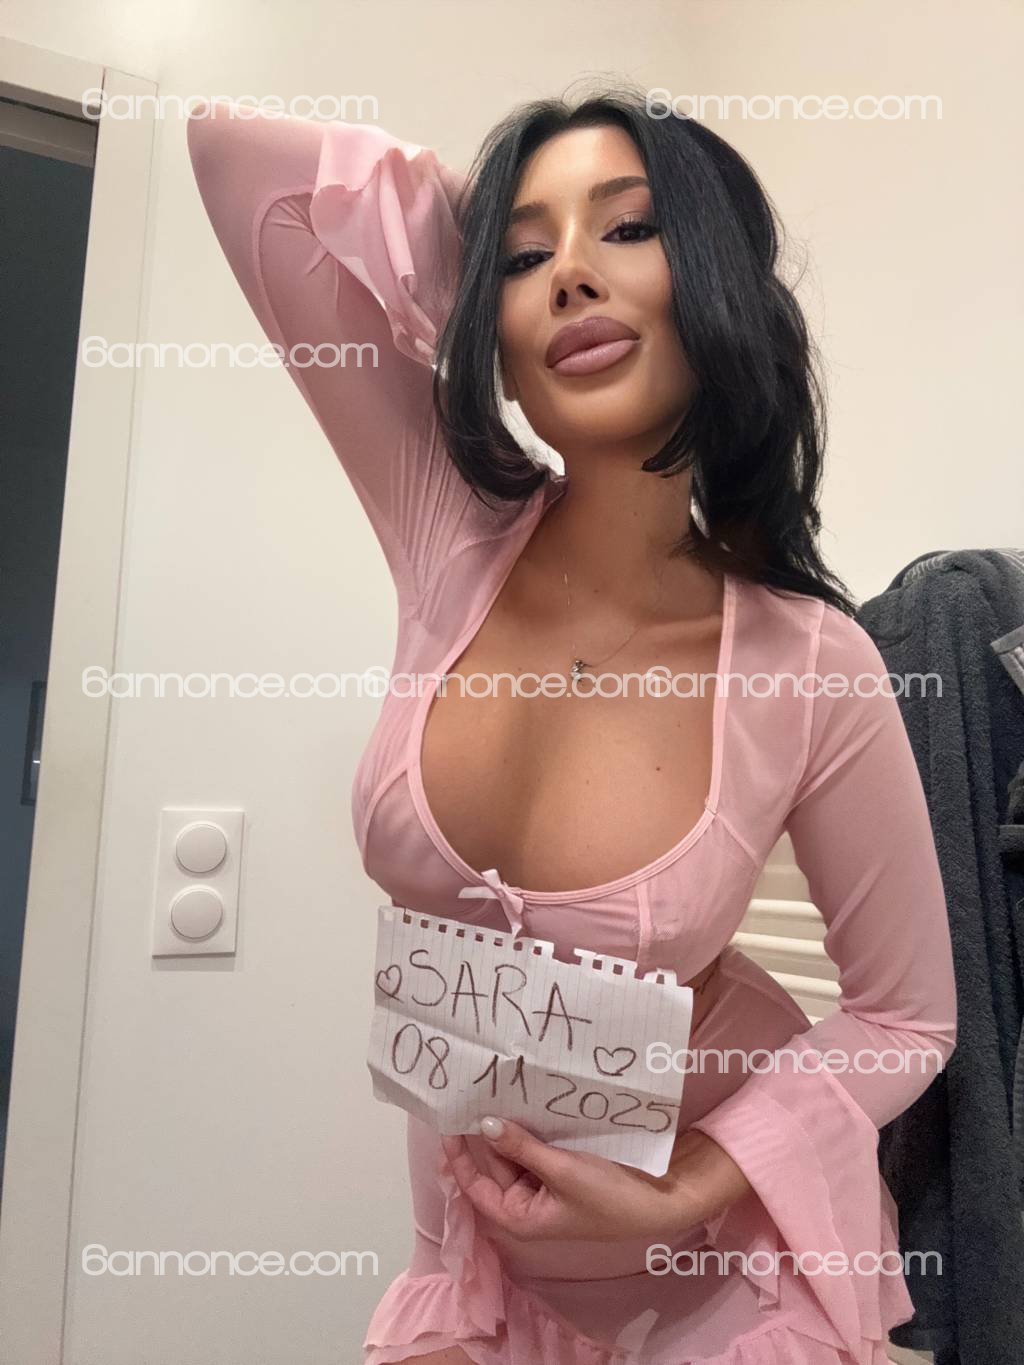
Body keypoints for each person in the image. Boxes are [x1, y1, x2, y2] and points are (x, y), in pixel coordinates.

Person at [186, 81, 957, 1365]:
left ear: (714, 282)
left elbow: (906, 1017)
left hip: (727, 1275)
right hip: (475, 1263)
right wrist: (482, 252)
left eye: (631, 229)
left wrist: (694, 1182)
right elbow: (233, 159)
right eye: (527, 257)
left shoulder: (811, 664)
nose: (572, 278)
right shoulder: (447, 537)